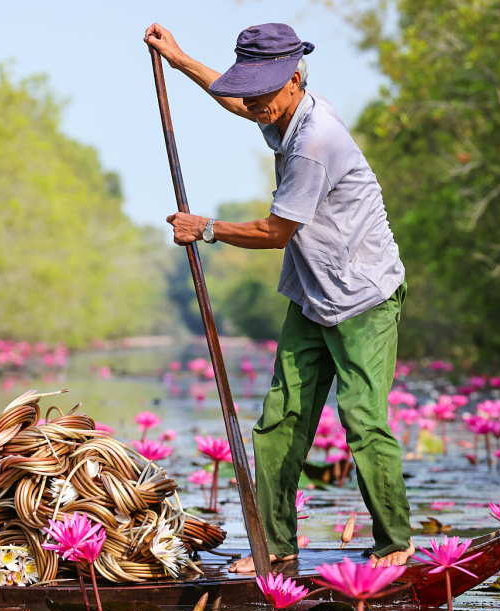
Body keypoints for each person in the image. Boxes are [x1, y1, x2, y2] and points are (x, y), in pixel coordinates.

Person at [144, 22, 413, 571]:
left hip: (363, 296)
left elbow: (275, 232)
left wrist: (207, 228)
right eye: (250, 90)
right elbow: (238, 102)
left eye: (263, 91)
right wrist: (180, 59)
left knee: (362, 420)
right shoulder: (282, 112)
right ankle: (275, 550)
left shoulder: (315, 142)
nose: (255, 103)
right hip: (314, 293)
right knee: (277, 425)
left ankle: (396, 546)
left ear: (294, 80)